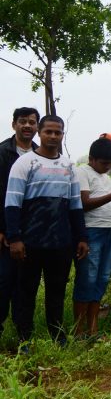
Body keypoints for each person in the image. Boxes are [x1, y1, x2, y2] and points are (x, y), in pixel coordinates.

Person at [5, 115, 88, 345]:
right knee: (26, 292)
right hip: (30, 242)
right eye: (48, 132)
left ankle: (57, 335)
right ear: (39, 133)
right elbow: (12, 203)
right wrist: (14, 238)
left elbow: (75, 205)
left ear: (62, 135)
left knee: (57, 291)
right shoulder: (24, 163)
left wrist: (81, 237)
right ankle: (24, 338)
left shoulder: (68, 165)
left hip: (60, 242)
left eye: (57, 132)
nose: (53, 136)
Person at [73, 138, 111, 338]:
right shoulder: (82, 172)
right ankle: (79, 330)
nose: (107, 167)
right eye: (104, 163)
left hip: (108, 230)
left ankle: (93, 328)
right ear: (91, 159)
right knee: (87, 279)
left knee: (102, 278)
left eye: (110, 163)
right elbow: (85, 202)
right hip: (91, 231)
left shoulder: (107, 177)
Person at [0, 106, 39, 339]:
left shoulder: (40, 153)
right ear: (13, 124)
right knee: (4, 281)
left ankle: (24, 333)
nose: (27, 126)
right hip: (7, 231)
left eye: (32, 122)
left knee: (26, 284)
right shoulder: (3, 152)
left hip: (33, 231)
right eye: (22, 121)